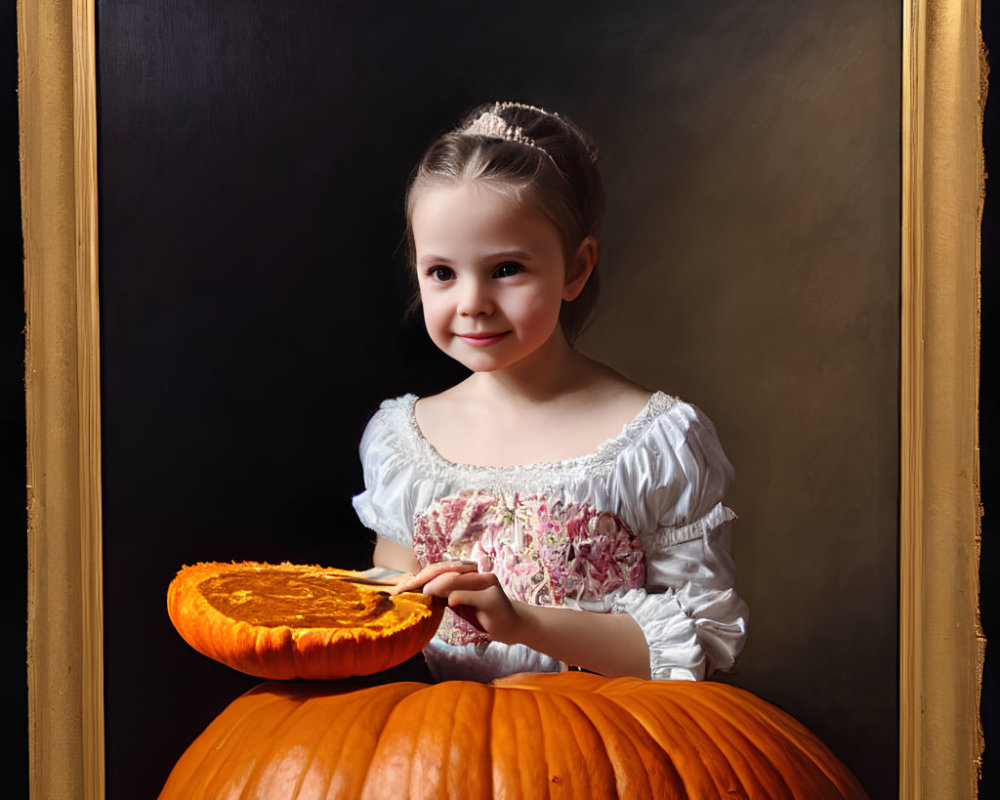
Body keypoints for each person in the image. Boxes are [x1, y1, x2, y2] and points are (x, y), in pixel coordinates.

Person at [352, 101, 748, 683]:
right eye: (442, 272)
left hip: (604, 746)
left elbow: (700, 641)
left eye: (506, 268)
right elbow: (387, 610)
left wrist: (524, 624)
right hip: (443, 749)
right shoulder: (402, 444)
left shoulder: (654, 444)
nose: (472, 303)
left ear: (576, 268)